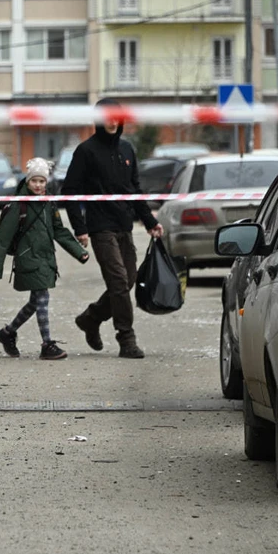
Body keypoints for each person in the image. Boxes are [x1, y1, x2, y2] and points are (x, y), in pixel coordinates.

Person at [61, 98, 164, 359]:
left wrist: (150, 221)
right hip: (100, 228)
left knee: (127, 280)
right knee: (118, 282)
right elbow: (70, 191)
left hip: (124, 225)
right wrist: (80, 228)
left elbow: (134, 191)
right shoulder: (86, 151)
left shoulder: (127, 150)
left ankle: (90, 318)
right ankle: (126, 339)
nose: (111, 120)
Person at [0, 157, 89, 360]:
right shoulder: (19, 205)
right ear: (27, 181)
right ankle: (46, 344)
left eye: (42, 181)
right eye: (34, 181)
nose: (38, 185)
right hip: (28, 260)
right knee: (42, 299)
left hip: (46, 259)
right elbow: (2, 239)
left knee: (36, 302)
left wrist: (78, 251)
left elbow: (59, 231)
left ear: (46, 183)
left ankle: (7, 333)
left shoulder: (49, 203)